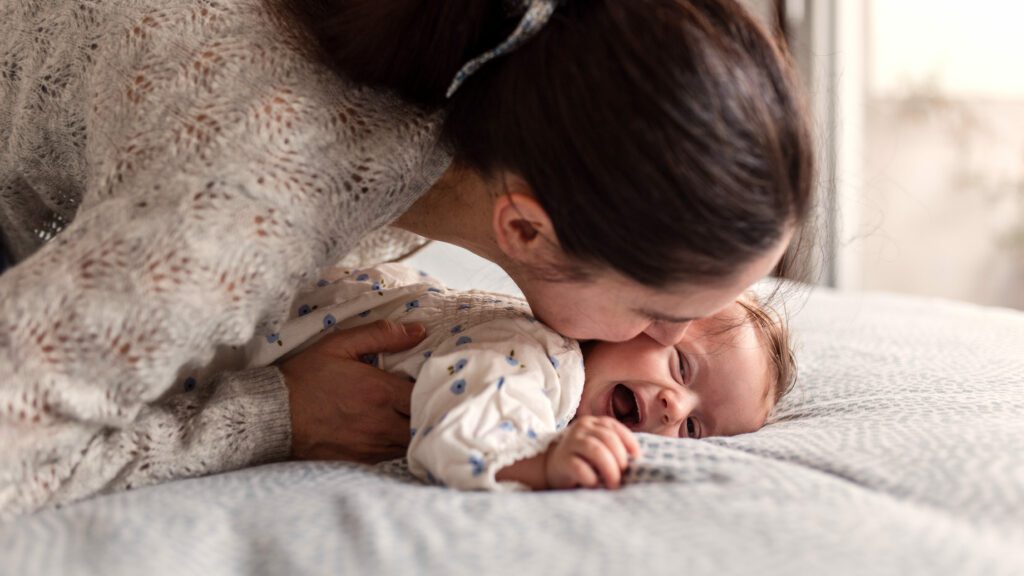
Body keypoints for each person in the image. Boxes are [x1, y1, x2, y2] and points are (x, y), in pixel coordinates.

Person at [0, 0, 812, 516]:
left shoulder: (479, 66)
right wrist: (276, 416)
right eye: (661, 317)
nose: (661, 350)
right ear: (526, 231)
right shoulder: (255, 195)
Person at [178, 263, 795, 491]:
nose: (671, 408)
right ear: (642, 321)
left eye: (695, 427)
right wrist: (539, 461)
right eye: (681, 367)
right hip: (205, 337)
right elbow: (460, 435)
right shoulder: (537, 354)